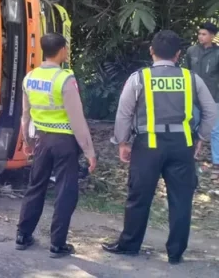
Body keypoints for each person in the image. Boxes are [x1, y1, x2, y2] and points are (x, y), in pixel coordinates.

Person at [104, 30, 217, 264]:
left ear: (151, 51)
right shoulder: (191, 78)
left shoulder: (139, 78)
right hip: (181, 144)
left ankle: (129, 245)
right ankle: (176, 253)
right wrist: (200, 138)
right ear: (178, 54)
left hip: (148, 146)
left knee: (139, 196)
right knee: (181, 199)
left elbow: (124, 113)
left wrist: (122, 142)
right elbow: (211, 110)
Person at [16, 33, 96, 258]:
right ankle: (57, 244)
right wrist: (90, 152)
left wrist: (27, 141)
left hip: (42, 139)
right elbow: (77, 120)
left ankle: (23, 235)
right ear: (62, 50)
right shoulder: (65, 79)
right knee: (64, 191)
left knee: (35, 186)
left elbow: (25, 115)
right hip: (64, 142)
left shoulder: (30, 77)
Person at [185, 22, 219, 176]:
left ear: (212, 36)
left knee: (215, 130)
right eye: (199, 34)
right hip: (193, 97)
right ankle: (190, 157)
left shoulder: (217, 53)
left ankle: (217, 161)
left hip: (214, 97)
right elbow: (185, 73)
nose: (200, 36)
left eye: (204, 34)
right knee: (191, 126)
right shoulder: (191, 51)